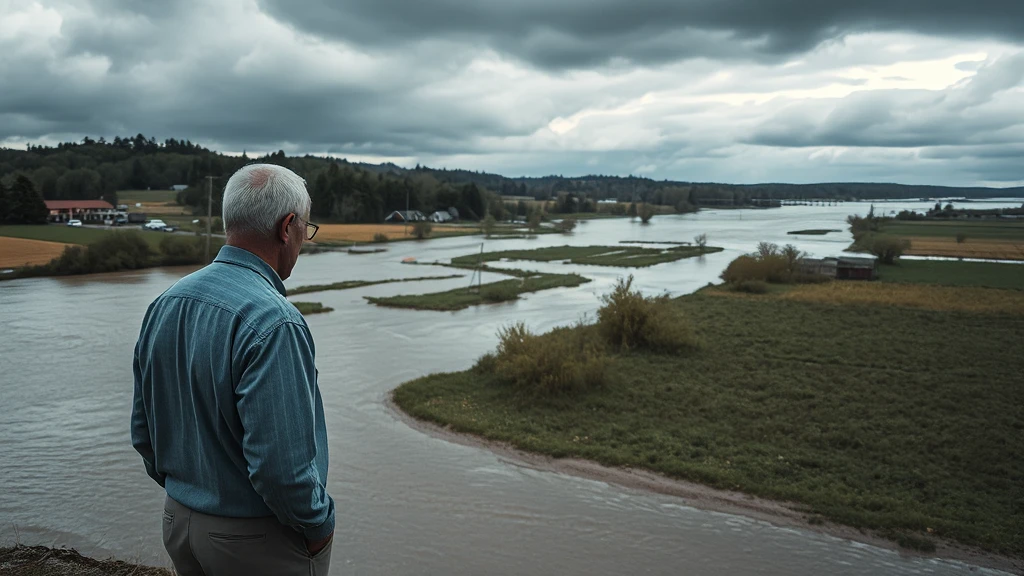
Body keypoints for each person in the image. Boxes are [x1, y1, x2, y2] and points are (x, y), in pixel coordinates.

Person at [131, 164, 334, 575]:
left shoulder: (166, 302)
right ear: (287, 226)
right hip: (255, 540)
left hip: (177, 522)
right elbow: (283, 471)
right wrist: (319, 525)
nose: (302, 242)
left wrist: (187, 493)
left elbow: (144, 431)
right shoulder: (276, 322)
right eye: (305, 230)